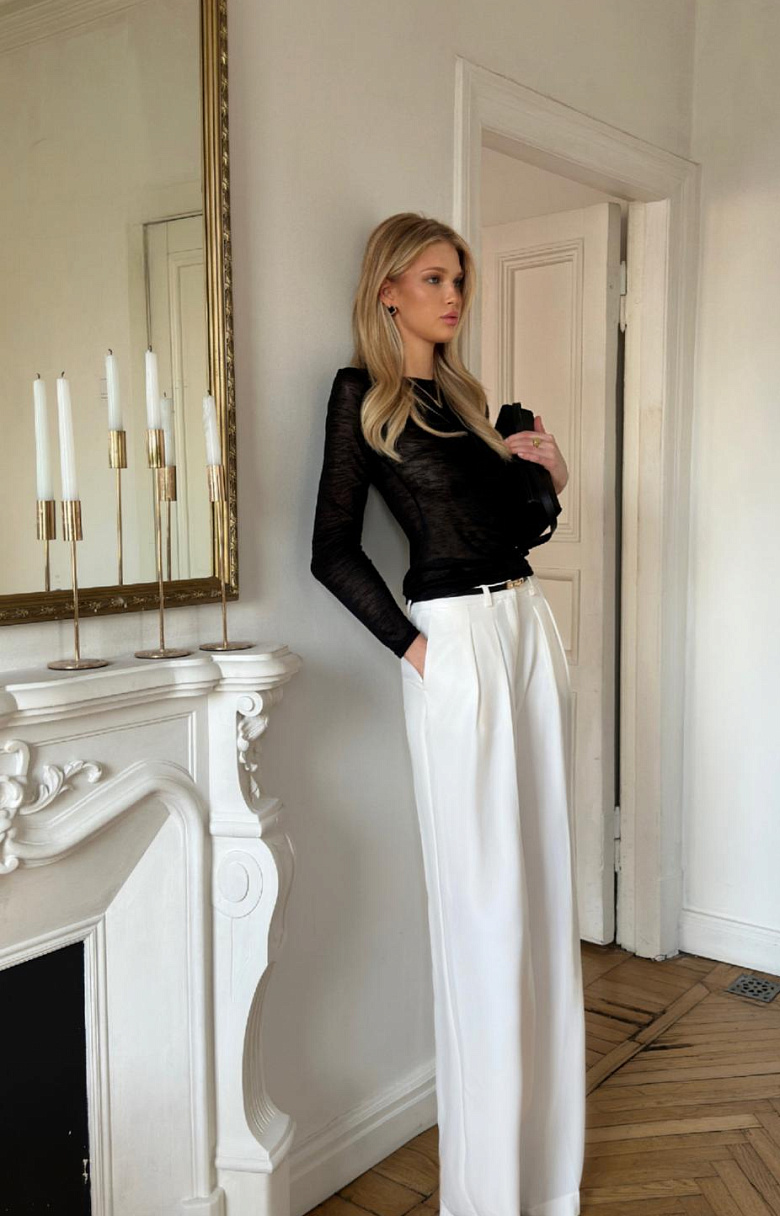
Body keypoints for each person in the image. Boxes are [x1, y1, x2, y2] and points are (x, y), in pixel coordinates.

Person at [311, 211, 585, 1216]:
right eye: (433, 277)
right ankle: (488, 1194)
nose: (453, 294)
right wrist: (420, 651)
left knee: (543, 896)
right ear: (388, 288)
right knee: (484, 908)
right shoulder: (362, 396)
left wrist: (546, 472)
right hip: (458, 643)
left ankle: (546, 1179)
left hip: (527, 631)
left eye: (459, 278)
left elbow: (510, 523)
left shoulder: (464, 401)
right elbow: (330, 549)